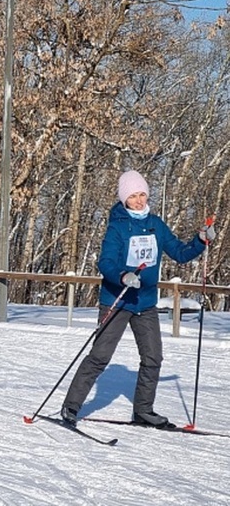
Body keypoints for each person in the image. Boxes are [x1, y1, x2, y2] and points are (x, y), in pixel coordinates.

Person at [61, 170, 214, 428]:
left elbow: (179, 252)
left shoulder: (156, 224)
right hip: (118, 301)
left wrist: (200, 241)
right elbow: (106, 262)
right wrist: (122, 276)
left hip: (145, 303)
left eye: (142, 194)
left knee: (153, 358)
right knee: (100, 356)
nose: (139, 200)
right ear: (124, 199)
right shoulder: (117, 227)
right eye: (133, 196)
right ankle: (71, 406)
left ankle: (143, 410)